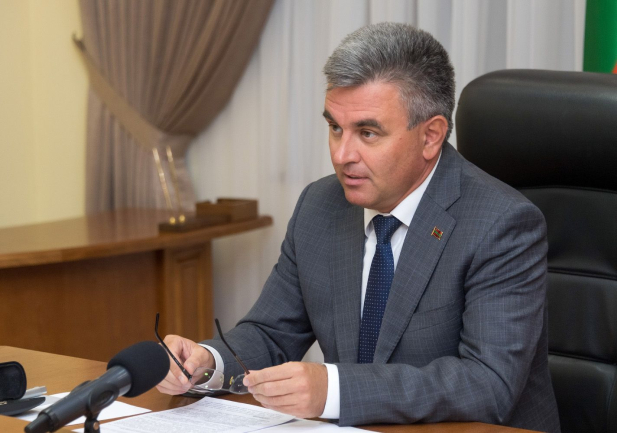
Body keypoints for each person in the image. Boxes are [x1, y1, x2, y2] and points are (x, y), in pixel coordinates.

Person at [156, 22, 560, 431]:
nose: (342, 155)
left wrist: (333, 389)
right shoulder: (320, 206)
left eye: (367, 133)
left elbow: (487, 385)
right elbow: (272, 332)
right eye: (335, 128)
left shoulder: (501, 224)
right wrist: (209, 362)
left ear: (431, 136)